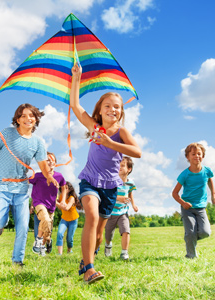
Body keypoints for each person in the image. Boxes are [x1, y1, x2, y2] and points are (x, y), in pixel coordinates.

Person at [70, 64, 142, 284]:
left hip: (111, 187)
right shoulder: (94, 128)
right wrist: (77, 78)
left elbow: (137, 152)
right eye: (108, 106)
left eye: (117, 107)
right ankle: (89, 269)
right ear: (100, 110)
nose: (113, 109)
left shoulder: (121, 132)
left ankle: (87, 259)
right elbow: (75, 105)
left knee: (100, 233)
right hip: (90, 181)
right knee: (90, 216)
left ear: (121, 112)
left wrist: (112, 143)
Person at [0, 103, 58, 267]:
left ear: (36, 119)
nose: (28, 119)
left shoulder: (38, 142)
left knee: (23, 227)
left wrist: (49, 177)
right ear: (17, 119)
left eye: (31, 115)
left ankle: (17, 260)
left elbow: (43, 165)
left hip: (22, 189)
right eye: (23, 116)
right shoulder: (7, 133)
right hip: (1, 187)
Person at [172, 142, 215, 259]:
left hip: (201, 207)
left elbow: (209, 180)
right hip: (187, 208)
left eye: (199, 154)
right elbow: (174, 193)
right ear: (188, 157)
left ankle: (189, 238)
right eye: (193, 154)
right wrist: (183, 203)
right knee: (191, 232)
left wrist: (213, 194)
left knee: (205, 232)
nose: (197, 156)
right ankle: (191, 256)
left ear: (203, 156)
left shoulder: (207, 171)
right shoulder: (185, 174)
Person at [30, 152, 66, 256]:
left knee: (47, 231)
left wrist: (62, 200)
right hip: (39, 203)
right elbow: (26, 181)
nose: (49, 162)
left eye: (51, 160)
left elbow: (63, 188)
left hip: (51, 206)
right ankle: (38, 241)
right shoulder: (38, 176)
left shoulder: (59, 176)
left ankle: (47, 241)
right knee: (44, 219)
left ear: (55, 163)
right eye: (47, 160)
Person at [104, 156, 138, 260]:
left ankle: (124, 253)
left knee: (126, 231)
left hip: (123, 212)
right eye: (118, 165)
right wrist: (119, 198)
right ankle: (108, 245)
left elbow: (130, 193)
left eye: (122, 165)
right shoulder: (112, 181)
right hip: (111, 212)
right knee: (108, 234)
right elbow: (107, 195)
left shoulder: (130, 182)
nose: (119, 167)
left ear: (129, 169)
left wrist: (133, 204)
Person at [56, 181, 82, 255]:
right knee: (60, 233)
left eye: (66, 188)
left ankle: (69, 250)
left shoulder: (72, 198)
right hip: (64, 219)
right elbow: (56, 202)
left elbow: (66, 208)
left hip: (73, 220)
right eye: (64, 187)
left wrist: (56, 203)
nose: (65, 189)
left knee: (69, 238)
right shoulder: (60, 196)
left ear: (70, 189)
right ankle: (59, 253)